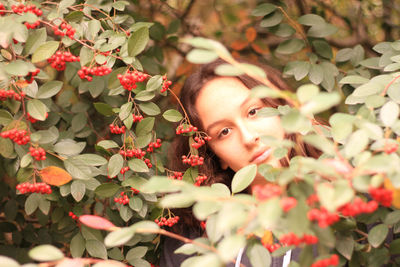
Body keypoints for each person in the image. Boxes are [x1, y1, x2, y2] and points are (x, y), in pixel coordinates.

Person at [159, 58, 320, 267]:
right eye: (224, 132)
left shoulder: (351, 201)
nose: (248, 137)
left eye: (253, 111)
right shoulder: (196, 235)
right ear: (217, 157)